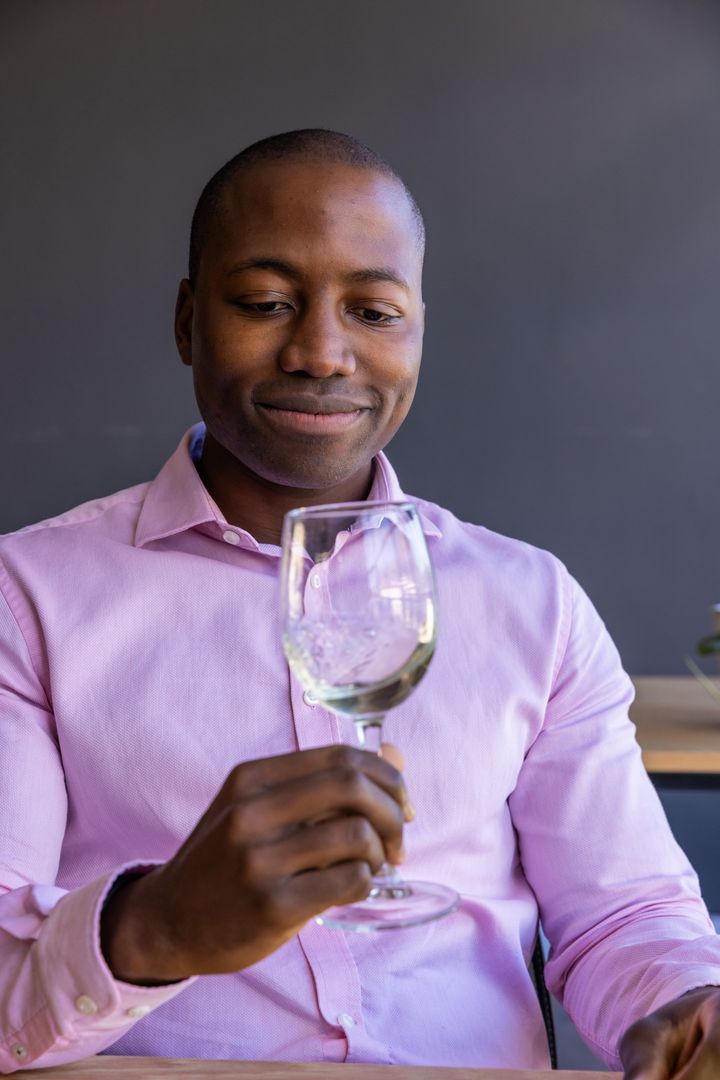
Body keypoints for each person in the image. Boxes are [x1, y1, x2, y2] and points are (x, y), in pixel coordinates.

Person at [1, 129, 719, 1077]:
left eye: (374, 312)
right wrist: (155, 926)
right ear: (186, 321)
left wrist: (689, 1010)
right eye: (266, 303)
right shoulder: (26, 600)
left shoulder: (532, 603)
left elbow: (625, 914)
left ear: (417, 332)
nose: (321, 353)